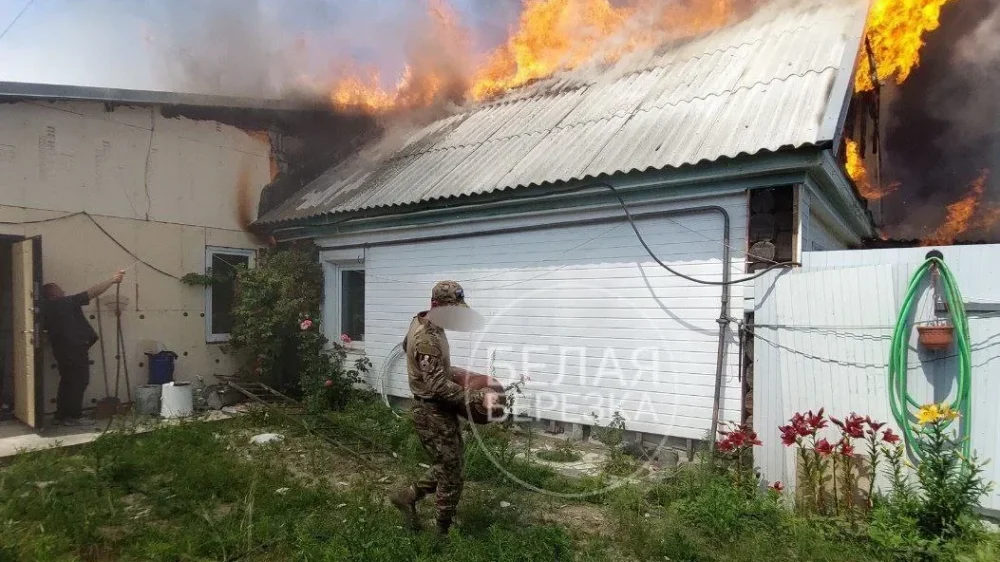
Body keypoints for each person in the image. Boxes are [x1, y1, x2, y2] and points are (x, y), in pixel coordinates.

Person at [389, 280, 500, 535]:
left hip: (435, 407)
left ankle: (408, 496)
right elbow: (438, 386)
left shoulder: (422, 321)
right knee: (452, 471)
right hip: (431, 411)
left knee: (449, 464)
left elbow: (409, 348)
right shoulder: (428, 338)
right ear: (436, 306)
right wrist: (477, 397)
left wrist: (447, 371)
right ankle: (441, 534)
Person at [42, 269, 125, 426]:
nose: (63, 291)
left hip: (62, 350)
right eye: (59, 289)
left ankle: (61, 416)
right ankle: (72, 417)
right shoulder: (62, 303)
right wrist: (112, 280)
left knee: (67, 381)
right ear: (52, 294)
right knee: (79, 381)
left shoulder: (46, 308)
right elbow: (91, 293)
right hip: (73, 350)